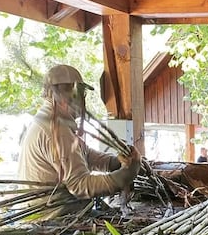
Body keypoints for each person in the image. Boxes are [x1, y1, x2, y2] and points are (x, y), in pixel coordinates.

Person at [18, 64, 141, 201]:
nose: (83, 100)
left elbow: (85, 155)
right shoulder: (56, 129)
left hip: (51, 214)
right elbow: (80, 185)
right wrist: (127, 175)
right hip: (55, 216)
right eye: (82, 93)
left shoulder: (50, 120)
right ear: (72, 92)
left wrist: (115, 162)